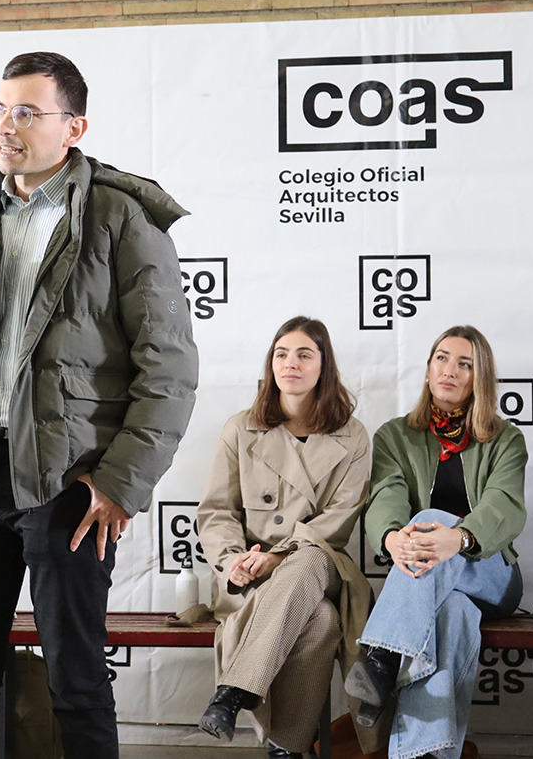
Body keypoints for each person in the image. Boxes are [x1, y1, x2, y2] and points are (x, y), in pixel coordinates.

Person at [0, 51, 198, 759]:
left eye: (26, 112)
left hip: (67, 480)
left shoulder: (120, 216)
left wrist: (120, 482)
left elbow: (169, 369)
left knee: (75, 679)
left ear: (74, 127)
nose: (5, 126)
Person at [344, 325, 527, 759]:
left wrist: (458, 539)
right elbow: (386, 495)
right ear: (428, 369)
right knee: (453, 615)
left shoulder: (506, 439)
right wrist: (391, 537)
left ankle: (383, 659)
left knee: (430, 521)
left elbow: (503, 506)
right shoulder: (395, 435)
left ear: (479, 378)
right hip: (427, 581)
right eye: (442, 358)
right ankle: (428, 753)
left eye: (465, 364)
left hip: (492, 574)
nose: (450, 370)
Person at [196, 317, 372, 759]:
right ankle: (286, 749)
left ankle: (234, 690)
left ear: (323, 366)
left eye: (304, 354)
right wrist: (233, 561)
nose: (290, 363)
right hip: (251, 573)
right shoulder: (240, 428)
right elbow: (217, 512)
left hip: (322, 563)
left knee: (307, 559)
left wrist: (279, 555)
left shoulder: (353, 435)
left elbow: (340, 518)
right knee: (322, 622)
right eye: (281, 354)